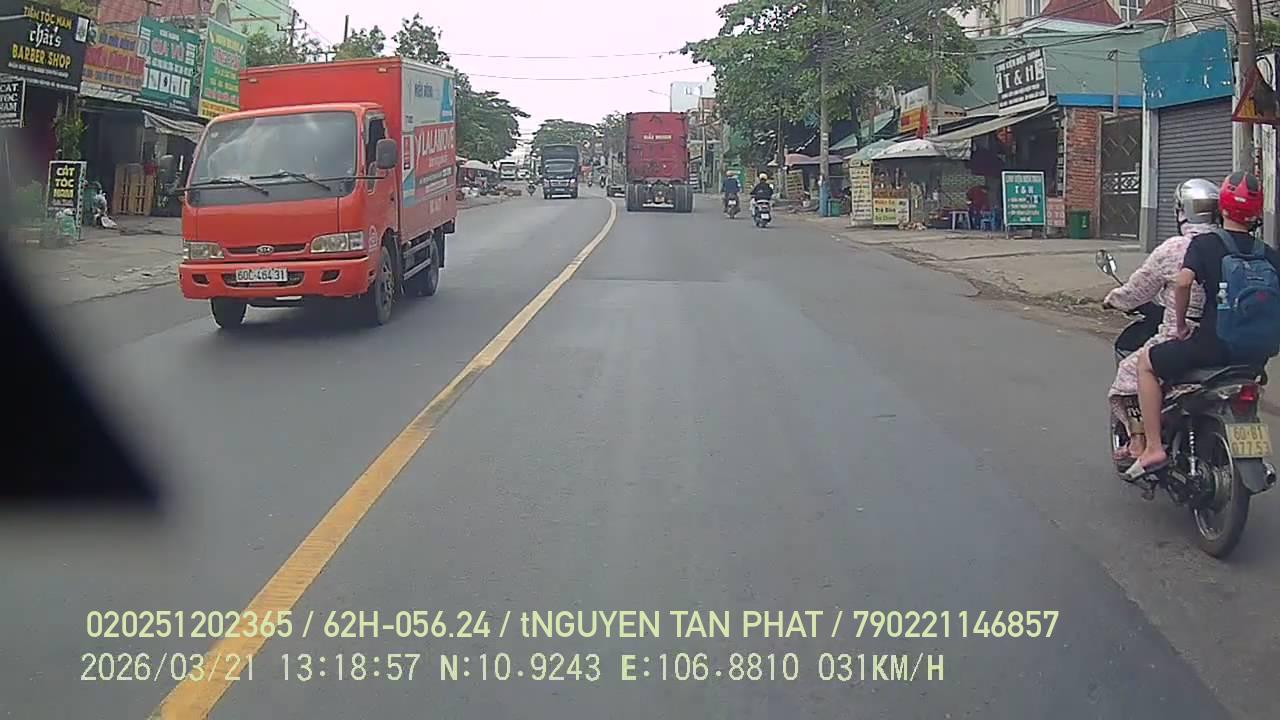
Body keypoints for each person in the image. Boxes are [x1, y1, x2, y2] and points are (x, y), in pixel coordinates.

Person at [1131, 171, 1280, 476]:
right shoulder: (1268, 253)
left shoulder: (1205, 244)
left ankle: (1154, 446)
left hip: (1214, 347)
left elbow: (1183, 282)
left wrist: (1181, 325)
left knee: (1146, 363)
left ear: (1221, 208)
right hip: (1258, 354)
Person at [1104, 178, 1217, 462]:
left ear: (1182, 211)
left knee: (1129, 372)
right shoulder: (1225, 244)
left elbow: (1139, 289)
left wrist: (1114, 299)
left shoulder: (1174, 248)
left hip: (1181, 338)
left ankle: (1140, 442)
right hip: (1222, 338)